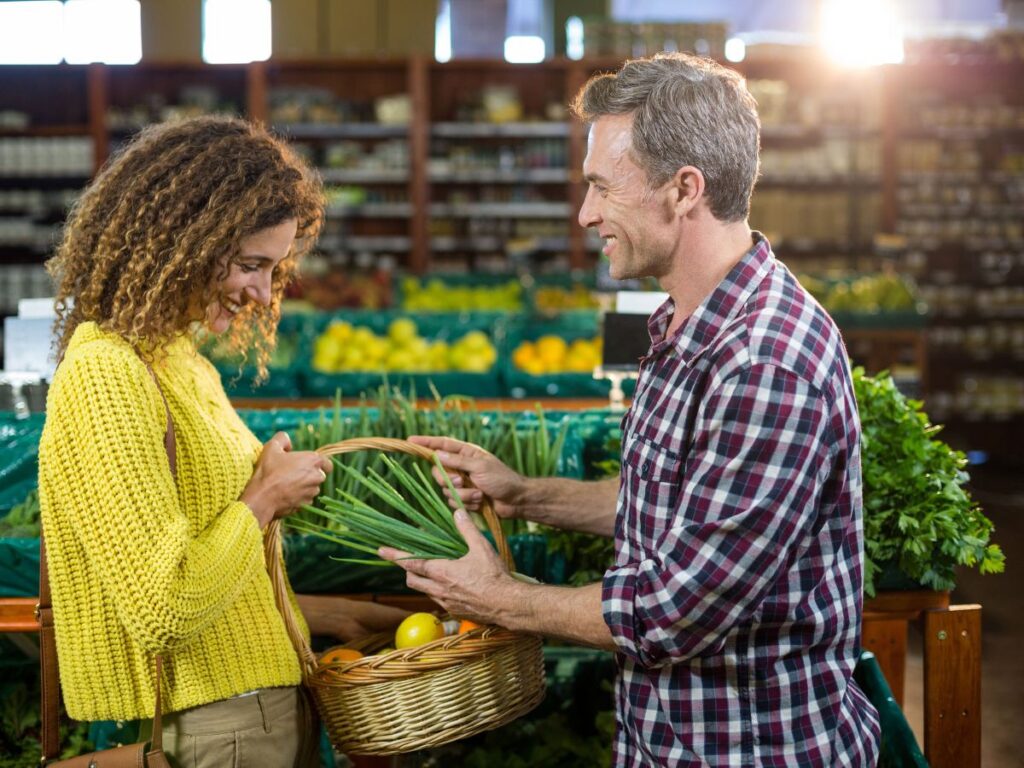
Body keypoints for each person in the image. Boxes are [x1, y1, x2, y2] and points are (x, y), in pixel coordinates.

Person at [382, 53, 881, 766]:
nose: (585, 214)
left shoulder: (765, 361)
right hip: (669, 740)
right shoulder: (686, 323)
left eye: (601, 188)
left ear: (684, 190)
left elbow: (675, 610)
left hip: (751, 749)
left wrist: (499, 598)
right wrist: (526, 496)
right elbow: (671, 509)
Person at [38, 116, 407, 767]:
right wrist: (263, 498)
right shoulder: (106, 372)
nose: (264, 294)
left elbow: (213, 566)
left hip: (256, 711)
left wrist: (326, 613)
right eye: (249, 264)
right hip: (218, 728)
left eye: (275, 268)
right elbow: (165, 606)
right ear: (178, 240)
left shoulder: (179, 358)